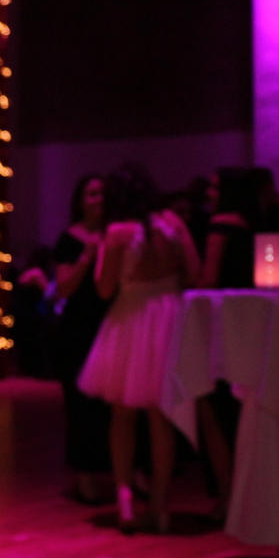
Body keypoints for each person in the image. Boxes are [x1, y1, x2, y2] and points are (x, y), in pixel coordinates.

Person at [77, 164, 201, 533]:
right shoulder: (173, 224)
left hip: (131, 318)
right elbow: (195, 273)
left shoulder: (118, 232)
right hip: (170, 317)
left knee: (122, 415)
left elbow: (103, 289)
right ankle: (160, 505)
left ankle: (125, 499)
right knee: (162, 415)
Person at [51, 173, 112, 506]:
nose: (98, 199)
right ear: (80, 201)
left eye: (102, 193)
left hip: (110, 323)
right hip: (78, 327)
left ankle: (123, 472)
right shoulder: (69, 239)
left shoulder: (116, 234)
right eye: (92, 193)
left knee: (113, 401)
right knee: (80, 403)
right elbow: (63, 288)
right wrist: (87, 256)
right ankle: (84, 475)